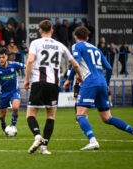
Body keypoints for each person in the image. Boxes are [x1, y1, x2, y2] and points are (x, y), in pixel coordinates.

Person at [63, 26, 133, 150]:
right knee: (107, 117)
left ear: (75, 37)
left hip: (89, 82)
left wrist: (69, 79)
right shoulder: (96, 49)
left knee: (80, 115)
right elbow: (109, 68)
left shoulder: (77, 46)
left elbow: (76, 62)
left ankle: (93, 141)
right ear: (87, 37)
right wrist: (106, 84)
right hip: (101, 82)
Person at [24, 20, 82, 155]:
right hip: (54, 84)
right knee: (50, 116)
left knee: (31, 114)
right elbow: (75, 64)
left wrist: (27, 80)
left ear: (39, 31)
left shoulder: (35, 43)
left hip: (38, 82)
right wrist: (79, 76)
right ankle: (44, 148)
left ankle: (37, 136)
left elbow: (30, 60)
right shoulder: (60, 45)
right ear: (52, 31)